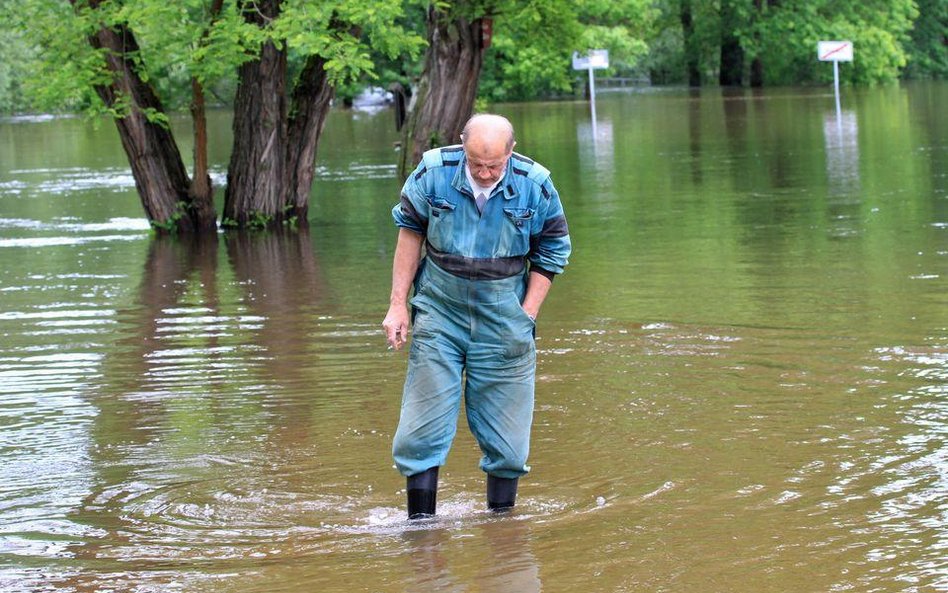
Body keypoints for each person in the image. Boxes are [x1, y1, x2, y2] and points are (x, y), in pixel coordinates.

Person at [382, 113, 571, 519]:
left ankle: (503, 531)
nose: (484, 174)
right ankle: (420, 528)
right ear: (462, 145)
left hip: (505, 316)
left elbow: (553, 251)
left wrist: (527, 315)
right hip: (439, 309)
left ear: (511, 152)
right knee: (420, 429)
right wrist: (398, 303)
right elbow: (410, 235)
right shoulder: (433, 172)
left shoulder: (535, 184)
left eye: (494, 166)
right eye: (476, 164)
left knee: (509, 442)